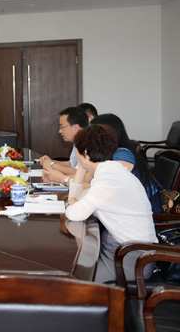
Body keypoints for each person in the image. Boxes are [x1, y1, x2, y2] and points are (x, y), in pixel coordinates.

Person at [65, 124, 157, 283]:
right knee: (75, 269)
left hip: (131, 259)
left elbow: (74, 213)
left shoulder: (108, 179)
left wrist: (73, 201)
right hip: (124, 250)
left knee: (74, 282)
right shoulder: (112, 171)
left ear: (85, 152)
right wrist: (81, 169)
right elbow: (78, 199)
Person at [91, 113, 163, 213]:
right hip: (129, 207)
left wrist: (70, 181)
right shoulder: (109, 152)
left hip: (147, 212)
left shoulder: (122, 154)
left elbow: (109, 186)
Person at [40, 107, 89, 185]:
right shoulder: (77, 142)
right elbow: (72, 164)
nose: (60, 131)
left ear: (76, 128)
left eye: (62, 127)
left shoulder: (88, 143)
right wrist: (51, 161)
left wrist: (53, 165)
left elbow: (81, 173)